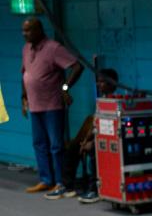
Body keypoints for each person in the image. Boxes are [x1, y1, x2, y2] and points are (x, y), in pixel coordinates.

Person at [20, 18, 84, 195]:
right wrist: (23, 97)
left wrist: (65, 88)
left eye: (28, 30)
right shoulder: (26, 49)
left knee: (56, 145)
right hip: (34, 105)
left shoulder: (53, 48)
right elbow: (24, 73)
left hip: (52, 105)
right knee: (39, 143)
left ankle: (61, 182)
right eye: (23, 31)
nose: (25, 34)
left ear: (39, 30)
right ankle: (46, 180)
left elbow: (77, 67)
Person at [51, 68, 118, 203]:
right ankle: (67, 185)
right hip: (96, 136)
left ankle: (95, 189)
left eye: (102, 82)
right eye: (97, 82)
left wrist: (93, 143)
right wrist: (85, 140)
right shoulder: (100, 101)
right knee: (74, 146)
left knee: (95, 149)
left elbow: (110, 130)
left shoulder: (116, 103)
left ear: (112, 84)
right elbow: (95, 124)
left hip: (109, 141)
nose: (99, 85)